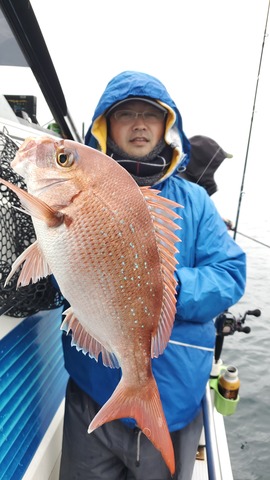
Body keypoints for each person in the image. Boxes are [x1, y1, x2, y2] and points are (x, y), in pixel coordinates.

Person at [59, 71, 246, 480]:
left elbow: (230, 274)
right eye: (126, 114)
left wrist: (168, 287)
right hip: (92, 394)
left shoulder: (195, 202)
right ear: (106, 126)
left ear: (167, 126)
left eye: (151, 114)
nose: (140, 123)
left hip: (173, 404)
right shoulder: (80, 192)